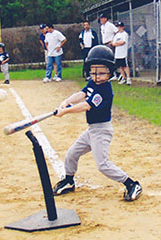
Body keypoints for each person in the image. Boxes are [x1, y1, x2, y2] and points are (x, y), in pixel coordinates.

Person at [52, 45, 142, 202]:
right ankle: (68, 180)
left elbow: (87, 105)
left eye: (101, 73)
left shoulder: (105, 89)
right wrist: (66, 101)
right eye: (94, 72)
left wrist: (65, 112)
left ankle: (131, 184)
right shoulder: (93, 83)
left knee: (103, 165)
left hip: (102, 131)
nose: (97, 76)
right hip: (91, 131)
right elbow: (82, 94)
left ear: (109, 72)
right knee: (72, 154)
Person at [99, 14, 118, 81]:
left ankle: (115, 74)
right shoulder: (102, 27)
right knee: (106, 60)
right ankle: (110, 74)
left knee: (111, 59)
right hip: (105, 43)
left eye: (102, 18)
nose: (101, 20)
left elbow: (117, 31)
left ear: (106, 19)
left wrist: (113, 40)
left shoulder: (110, 25)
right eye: (100, 18)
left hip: (110, 43)